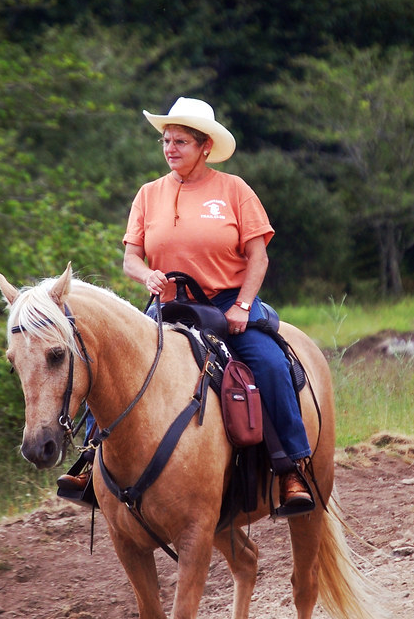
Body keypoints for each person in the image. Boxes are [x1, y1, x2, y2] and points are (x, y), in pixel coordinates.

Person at [121, 97, 315, 514]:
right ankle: (90, 460)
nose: (170, 148)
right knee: (112, 358)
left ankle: (290, 469)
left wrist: (243, 305)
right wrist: (146, 275)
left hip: (227, 302)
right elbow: (131, 258)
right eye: (166, 141)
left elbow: (258, 257)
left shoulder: (234, 189)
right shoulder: (148, 194)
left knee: (269, 364)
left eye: (181, 142)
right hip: (170, 302)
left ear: (205, 146)